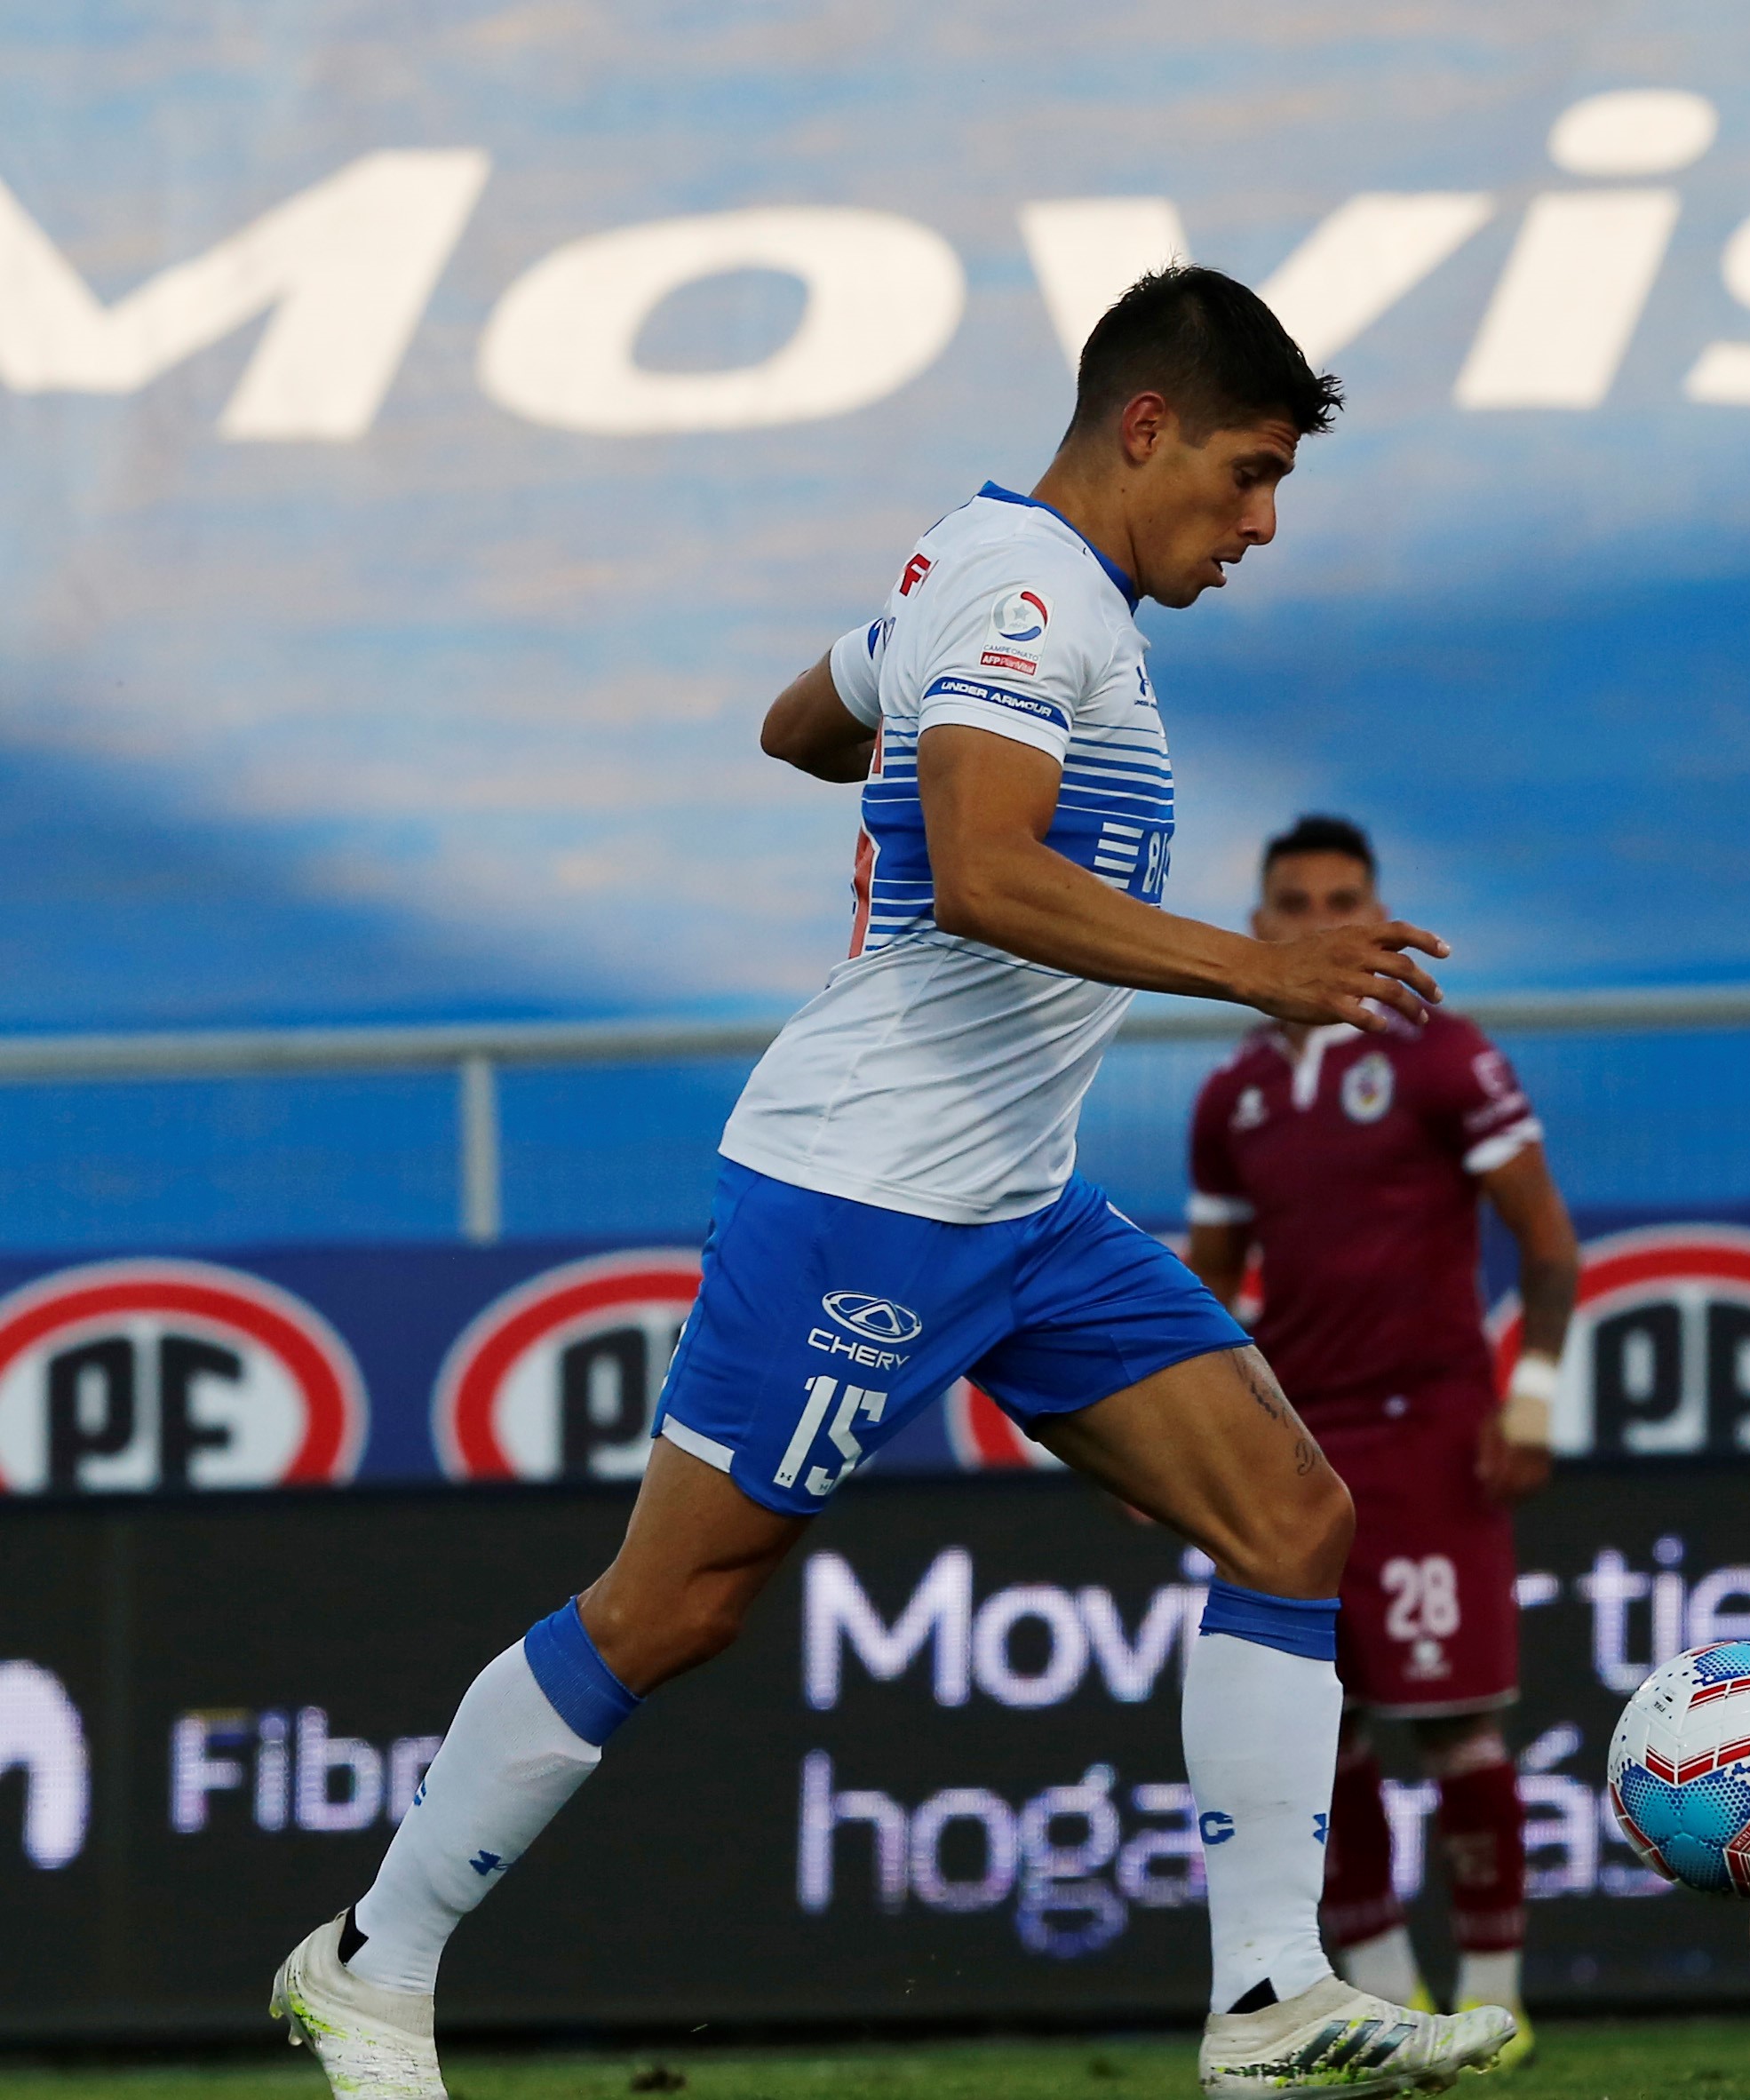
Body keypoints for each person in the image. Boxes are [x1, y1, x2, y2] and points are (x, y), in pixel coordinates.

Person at [263, 266, 1515, 2100]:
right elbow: (990, 872)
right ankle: (371, 1962)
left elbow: (805, 721)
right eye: (1247, 476)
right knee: (673, 1608)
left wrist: (897, 717)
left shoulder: (982, 575)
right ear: (1144, 427)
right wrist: (1260, 970)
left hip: (1020, 1209)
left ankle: (1269, 2003)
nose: (1260, 526)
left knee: (1292, 1524)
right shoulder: (1025, 596)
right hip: (865, 1195)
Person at [1184, 813, 1582, 2062]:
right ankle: (1383, 1988)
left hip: (1429, 1431)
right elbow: (1207, 1286)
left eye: (1341, 900)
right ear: (1258, 926)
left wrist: (1536, 1396)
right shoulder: (1232, 1095)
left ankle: (1499, 1993)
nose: (1317, 923)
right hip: (1298, 1451)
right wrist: (1181, 1443)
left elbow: (1551, 1243)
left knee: (1458, 1721)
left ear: (1380, 916)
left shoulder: (1443, 1056)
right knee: (1325, 1722)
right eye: (1293, 902)